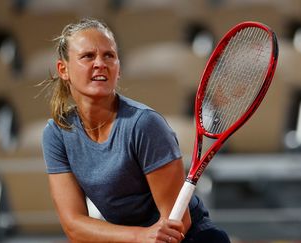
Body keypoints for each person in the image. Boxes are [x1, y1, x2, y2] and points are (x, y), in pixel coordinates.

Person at [41, 18, 230, 243]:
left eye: (109, 55)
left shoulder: (144, 124)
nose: (100, 63)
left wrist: (143, 237)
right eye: (88, 56)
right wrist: (140, 236)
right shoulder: (56, 133)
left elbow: (178, 224)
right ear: (63, 69)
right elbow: (74, 226)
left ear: (118, 68)